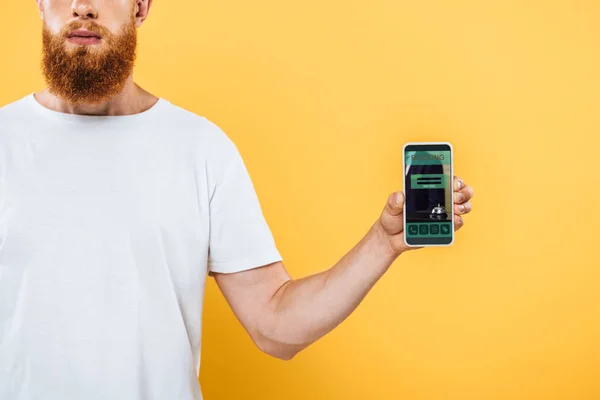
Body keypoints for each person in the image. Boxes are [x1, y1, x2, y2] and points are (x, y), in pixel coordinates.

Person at [0, 1, 475, 399]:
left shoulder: (200, 148)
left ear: (141, 6)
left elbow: (276, 327)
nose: (83, 5)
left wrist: (382, 243)